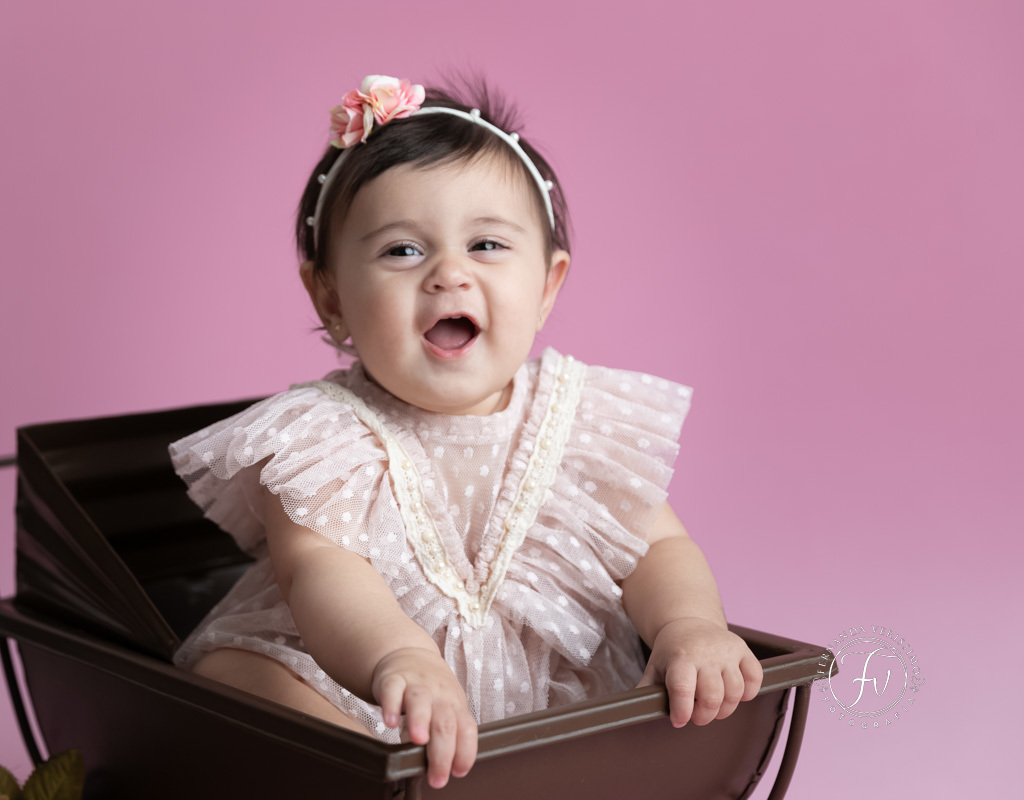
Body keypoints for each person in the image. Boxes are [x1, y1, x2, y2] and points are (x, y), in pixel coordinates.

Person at [169, 73, 763, 790]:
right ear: (330, 297)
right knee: (237, 676)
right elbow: (317, 571)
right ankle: (383, 783)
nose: (449, 275)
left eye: (485, 244)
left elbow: (655, 547)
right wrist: (398, 658)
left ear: (547, 286)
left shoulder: (579, 419)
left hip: (549, 698)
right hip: (366, 691)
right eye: (402, 251)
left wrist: (688, 626)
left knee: (647, 704)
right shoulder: (320, 438)